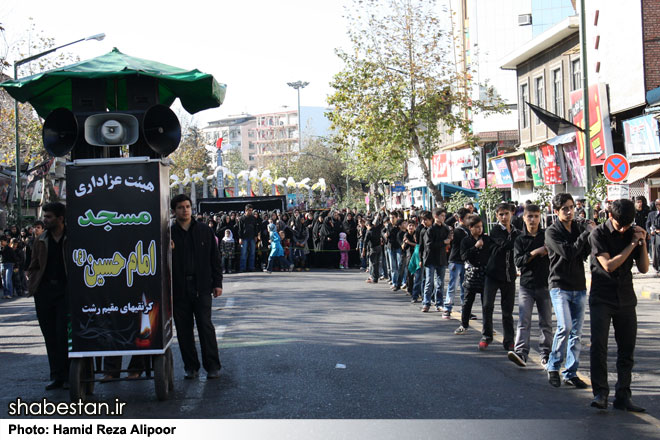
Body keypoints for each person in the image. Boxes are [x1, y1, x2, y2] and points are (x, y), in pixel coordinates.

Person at [589, 199, 649, 412]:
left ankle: (623, 395)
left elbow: (643, 268)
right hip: (602, 297)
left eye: (628, 225)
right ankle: (601, 393)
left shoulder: (632, 232)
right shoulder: (598, 234)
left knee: (627, 350)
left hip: (625, 298)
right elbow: (609, 265)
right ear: (610, 216)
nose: (624, 229)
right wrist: (632, 244)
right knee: (600, 347)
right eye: (620, 225)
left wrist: (642, 242)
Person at [544, 193, 595, 389]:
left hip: (579, 286)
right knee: (564, 327)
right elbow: (568, 253)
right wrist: (586, 234)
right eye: (564, 208)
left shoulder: (577, 227)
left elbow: (582, 254)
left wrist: (588, 233)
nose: (569, 211)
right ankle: (553, 366)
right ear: (556, 212)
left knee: (577, 333)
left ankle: (571, 372)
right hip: (559, 285)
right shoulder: (552, 232)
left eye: (571, 207)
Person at [170, 194, 223, 380]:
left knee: (205, 327)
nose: (185, 210)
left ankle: (213, 366)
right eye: (180, 207)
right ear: (174, 211)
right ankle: (191, 367)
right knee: (183, 330)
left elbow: (214, 259)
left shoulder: (204, 230)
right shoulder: (168, 234)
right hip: (178, 289)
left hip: (202, 287)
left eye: (187, 206)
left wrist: (217, 283)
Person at [27, 202, 69, 390]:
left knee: (63, 334)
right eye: (45, 217)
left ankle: (70, 375)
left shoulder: (72, 237)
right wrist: (34, 283)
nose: (45, 220)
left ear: (60, 219)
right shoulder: (41, 240)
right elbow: (34, 264)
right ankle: (57, 376)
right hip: (44, 292)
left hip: (65, 291)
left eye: (49, 217)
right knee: (50, 335)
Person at [508, 204, 552, 368]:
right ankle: (521, 353)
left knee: (545, 322)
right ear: (523, 218)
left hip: (545, 284)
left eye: (535, 216)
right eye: (529, 216)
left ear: (540, 217)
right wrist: (535, 253)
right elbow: (518, 261)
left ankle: (546, 354)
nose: (532, 219)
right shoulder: (520, 239)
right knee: (523, 321)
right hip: (526, 285)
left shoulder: (547, 236)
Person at [480, 203, 521, 351]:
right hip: (493, 274)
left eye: (506, 214)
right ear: (496, 216)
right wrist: (518, 242)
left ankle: (509, 340)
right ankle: (486, 336)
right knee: (487, 306)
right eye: (501, 214)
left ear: (512, 214)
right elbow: (506, 245)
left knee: (507, 310)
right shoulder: (495, 230)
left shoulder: (517, 231)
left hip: (509, 275)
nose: (504, 217)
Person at [454, 214, 490, 335]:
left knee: (486, 303)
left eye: (481, 227)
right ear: (471, 228)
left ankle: (487, 328)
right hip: (471, 273)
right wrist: (475, 247)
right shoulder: (466, 241)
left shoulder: (486, 239)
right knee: (468, 301)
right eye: (477, 227)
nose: (480, 229)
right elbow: (464, 256)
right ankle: (464, 324)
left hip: (485, 273)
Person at [419, 208, 451, 313]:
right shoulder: (430, 230)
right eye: (442, 215)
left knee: (440, 283)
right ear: (436, 217)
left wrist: (449, 240)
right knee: (429, 282)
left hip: (441, 259)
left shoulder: (446, 229)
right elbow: (429, 245)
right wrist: (444, 242)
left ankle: (439, 303)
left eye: (444, 216)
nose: (444, 217)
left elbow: (449, 240)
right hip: (430, 259)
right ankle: (426, 303)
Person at [443, 208, 470, 320]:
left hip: (465, 261)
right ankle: (447, 308)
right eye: (468, 218)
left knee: (465, 287)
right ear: (461, 219)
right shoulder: (458, 231)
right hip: (455, 261)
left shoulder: (468, 230)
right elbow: (445, 225)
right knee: (453, 285)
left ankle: (465, 310)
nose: (470, 220)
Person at [237, 204, 259, 272]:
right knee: (244, 253)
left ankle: (251, 267)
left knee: (252, 253)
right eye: (249, 210)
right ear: (245, 210)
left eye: (251, 210)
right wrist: (240, 238)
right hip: (244, 238)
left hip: (252, 237)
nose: (250, 212)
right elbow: (240, 229)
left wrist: (256, 236)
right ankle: (242, 268)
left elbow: (256, 228)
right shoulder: (242, 218)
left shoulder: (253, 218)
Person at [645, 198, 660, 276]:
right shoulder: (651, 214)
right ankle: (656, 268)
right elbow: (647, 224)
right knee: (655, 253)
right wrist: (649, 232)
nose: (658, 206)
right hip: (654, 236)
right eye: (657, 204)